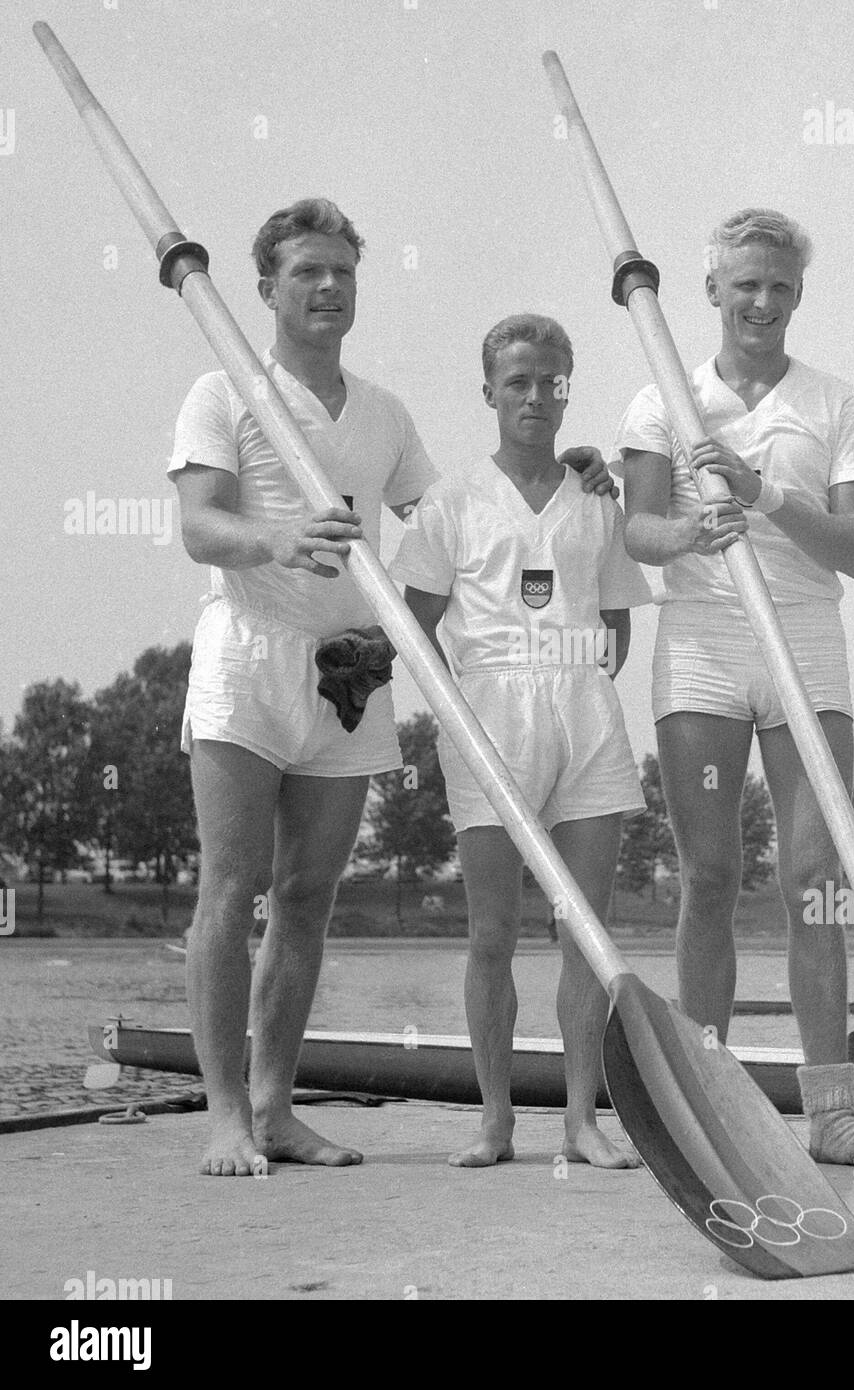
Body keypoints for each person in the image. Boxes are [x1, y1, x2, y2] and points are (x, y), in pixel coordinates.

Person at [170, 203, 614, 1177]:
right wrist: (276, 537)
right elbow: (201, 526)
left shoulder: (382, 414)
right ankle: (223, 1119)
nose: (329, 287)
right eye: (307, 273)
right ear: (267, 289)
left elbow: (460, 511)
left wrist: (568, 470)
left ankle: (278, 1108)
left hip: (351, 671)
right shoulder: (224, 391)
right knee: (231, 886)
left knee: (306, 896)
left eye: (342, 272)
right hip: (249, 652)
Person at [615, 209, 854, 1166]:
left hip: (804, 647)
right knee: (711, 875)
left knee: (813, 880)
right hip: (701, 645)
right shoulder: (663, 399)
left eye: (778, 286)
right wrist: (695, 529)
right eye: (746, 286)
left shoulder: (837, 403)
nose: (762, 302)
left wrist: (762, 492)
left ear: (797, 294)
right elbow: (637, 530)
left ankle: (829, 1107)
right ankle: (710, 1092)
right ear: (712, 293)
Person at [391, 314, 651, 1169]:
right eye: (518, 382)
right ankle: (495, 1120)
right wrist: (461, 713)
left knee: (584, 931)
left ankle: (582, 1116)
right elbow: (413, 624)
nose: (536, 397)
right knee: (491, 933)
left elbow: (615, 624)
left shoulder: (596, 501)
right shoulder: (450, 501)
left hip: (583, 714)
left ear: (567, 388)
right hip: (485, 720)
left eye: (551, 381)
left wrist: (569, 678)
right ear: (490, 393)